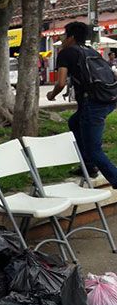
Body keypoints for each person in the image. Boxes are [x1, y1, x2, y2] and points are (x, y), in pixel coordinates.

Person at [47, 21, 117, 185]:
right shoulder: (91, 51)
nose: (63, 39)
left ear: (70, 37)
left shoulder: (66, 53)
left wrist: (52, 94)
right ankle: (88, 165)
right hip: (108, 99)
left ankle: (111, 176)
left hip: (93, 104)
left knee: (94, 150)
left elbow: (61, 82)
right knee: (74, 122)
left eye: (64, 35)